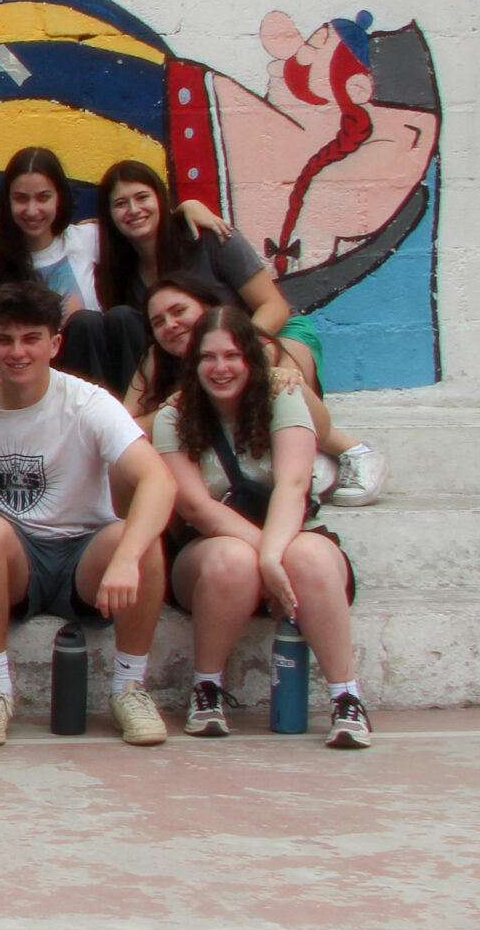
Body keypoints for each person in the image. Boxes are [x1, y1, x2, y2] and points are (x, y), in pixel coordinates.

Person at [0, 282, 179, 749]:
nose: (18, 352)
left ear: (55, 344)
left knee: (140, 538)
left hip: (83, 553)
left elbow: (159, 481)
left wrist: (128, 557)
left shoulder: (89, 403)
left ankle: (130, 687)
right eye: (5, 339)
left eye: (32, 338)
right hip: (14, 561)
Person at [155, 306, 372, 748]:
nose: (220, 368)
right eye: (208, 357)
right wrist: (264, 559)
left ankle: (346, 699)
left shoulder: (282, 397)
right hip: (210, 553)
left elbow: (294, 485)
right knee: (232, 559)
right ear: (192, 364)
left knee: (308, 556)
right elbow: (198, 508)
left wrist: (275, 558)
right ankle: (207, 689)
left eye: (232, 355)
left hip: (291, 535)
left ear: (253, 358)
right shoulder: (171, 418)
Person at [125, 275, 382, 504]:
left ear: (207, 308)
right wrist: (174, 407)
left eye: (179, 311)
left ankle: (353, 451)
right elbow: (122, 426)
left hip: (263, 444)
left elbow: (307, 412)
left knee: (282, 383)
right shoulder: (155, 360)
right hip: (216, 461)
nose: (170, 324)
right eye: (158, 322)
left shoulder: (255, 348)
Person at [96, 159, 315, 390]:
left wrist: (233, 349)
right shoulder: (122, 273)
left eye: (142, 197)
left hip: (269, 332)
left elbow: (274, 306)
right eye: (121, 204)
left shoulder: (210, 236)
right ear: (109, 215)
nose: (133, 209)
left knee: (278, 386)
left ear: (160, 199)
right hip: (206, 362)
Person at [0, 147, 121, 389]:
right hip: (28, 385)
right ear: (8, 201)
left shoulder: (89, 239)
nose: (32, 210)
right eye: (21, 198)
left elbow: (152, 229)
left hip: (94, 383)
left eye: (43, 197)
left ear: (59, 198)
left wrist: (189, 207)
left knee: (90, 322)